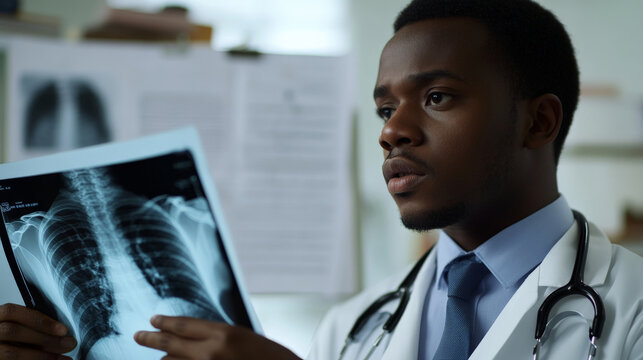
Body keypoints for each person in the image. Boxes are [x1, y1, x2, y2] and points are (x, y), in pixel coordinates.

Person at [1, 0, 642, 359]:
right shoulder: (354, 328)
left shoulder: (631, 314)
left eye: (438, 97)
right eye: (386, 109)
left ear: (539, 121)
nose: (393, 132)